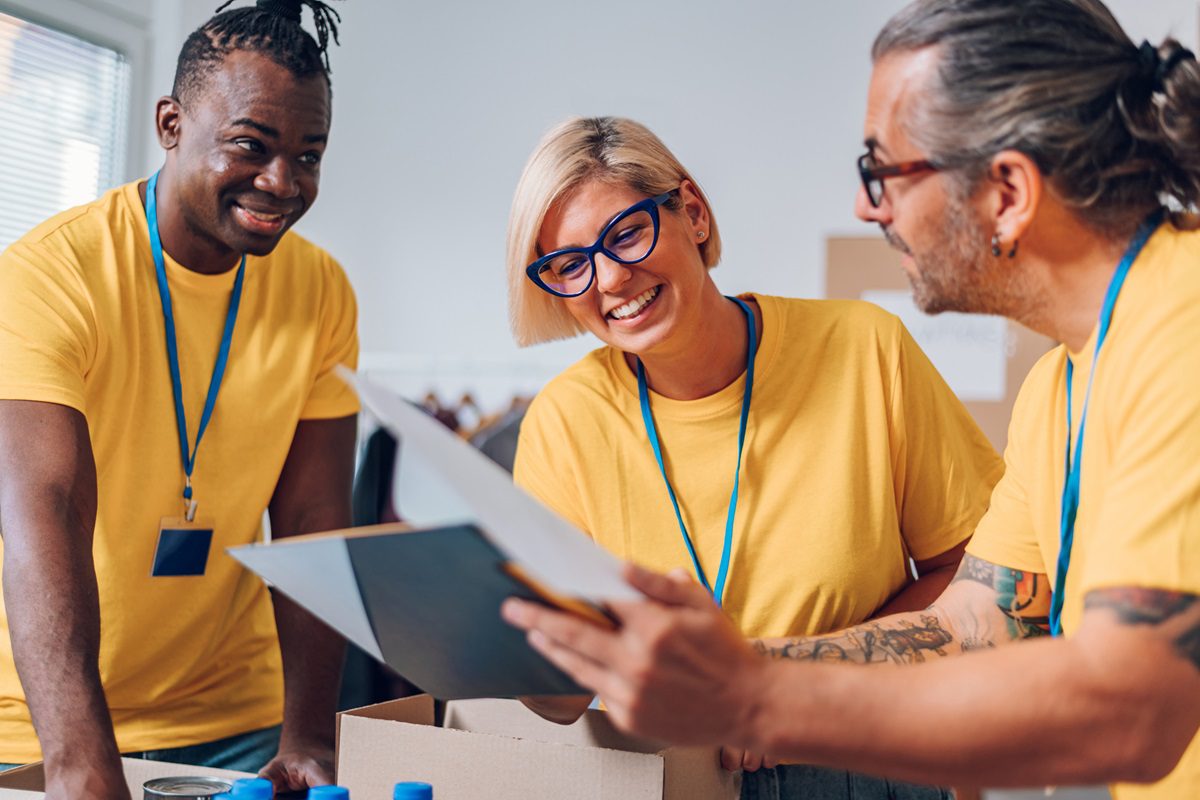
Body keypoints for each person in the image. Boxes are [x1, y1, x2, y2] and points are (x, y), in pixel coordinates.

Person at [502, 1, 1200, 798]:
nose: (868, 208)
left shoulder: (1184, 328)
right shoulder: (1061, 384)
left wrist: (760, 698)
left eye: (884, 171)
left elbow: (1134, 714)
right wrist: (727, 668)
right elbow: (976, 623)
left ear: (1006, 190)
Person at [506, 116, 1003, 798]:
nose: (611, 278)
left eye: (626, 233)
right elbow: (554, 690)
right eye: (570, 264)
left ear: (695, 214)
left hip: (866, 756)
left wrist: (788, 686)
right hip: (671, 769)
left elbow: (980, 580)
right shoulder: (562, 422)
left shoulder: (867, 350)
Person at [0, 1, 357, 796]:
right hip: (34, 721)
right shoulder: (49, 275)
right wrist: (78, 761)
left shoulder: (321, 289)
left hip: (234, 727)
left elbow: (312, 524)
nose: (282, 182)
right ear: (170, 123)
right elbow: (45, 509)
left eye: (310, 154)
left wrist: (309, 735)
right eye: (250, 146)